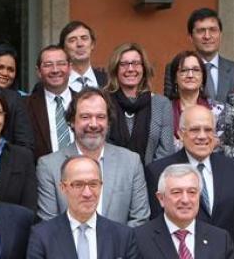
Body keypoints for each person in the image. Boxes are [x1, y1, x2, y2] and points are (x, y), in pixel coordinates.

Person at [147, 106, 234, 259]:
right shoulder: (158, 172)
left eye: (208, 129)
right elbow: (156, 228)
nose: (202, 136)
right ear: (180, 133)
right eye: (195, 130)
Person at [36, 87, 150, 227]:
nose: (93, 124)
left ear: (108, 123)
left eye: (100, 117)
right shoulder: (49, 166)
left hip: (120, 248)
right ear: (72, 121)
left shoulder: (131, 162)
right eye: (85, 117)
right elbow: (49, 226)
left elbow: (140, 220)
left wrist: (114, 248)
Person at [105, 42, 176, 164]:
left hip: (151, 178)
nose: (130, 69)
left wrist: (147, 178)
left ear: (144, 68)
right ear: (115, 69)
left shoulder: (161, 104)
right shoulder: (103, 102)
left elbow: (166, 151)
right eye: (124, 64)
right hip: (110, 178)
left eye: (136, 63)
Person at [164, 8, 234, 103]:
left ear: (220, 35)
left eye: (213, 30)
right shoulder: (176, 68)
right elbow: (170, 106)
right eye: (201, 31)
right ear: (191, 37)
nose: (207, 36)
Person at [27, 45, 76, 160]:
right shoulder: (25, 106)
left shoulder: (85, 102)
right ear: (38, 71)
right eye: (48, 65)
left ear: (70, 68)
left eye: (61, 64)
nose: (55, 70)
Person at [168, 50, 226, 143]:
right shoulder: (164, 110)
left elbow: (221, 147)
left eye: (195, 70)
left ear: (203, 76)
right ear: (175, 78)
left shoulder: (218, 110)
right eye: (184, 70)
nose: (190, 75)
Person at [59, 20, 108, 91]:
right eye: (72, 40)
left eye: (84, 38)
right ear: (63, 48)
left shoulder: (109, 81)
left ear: (92, 44)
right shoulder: (56, 82)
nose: (79, 44)